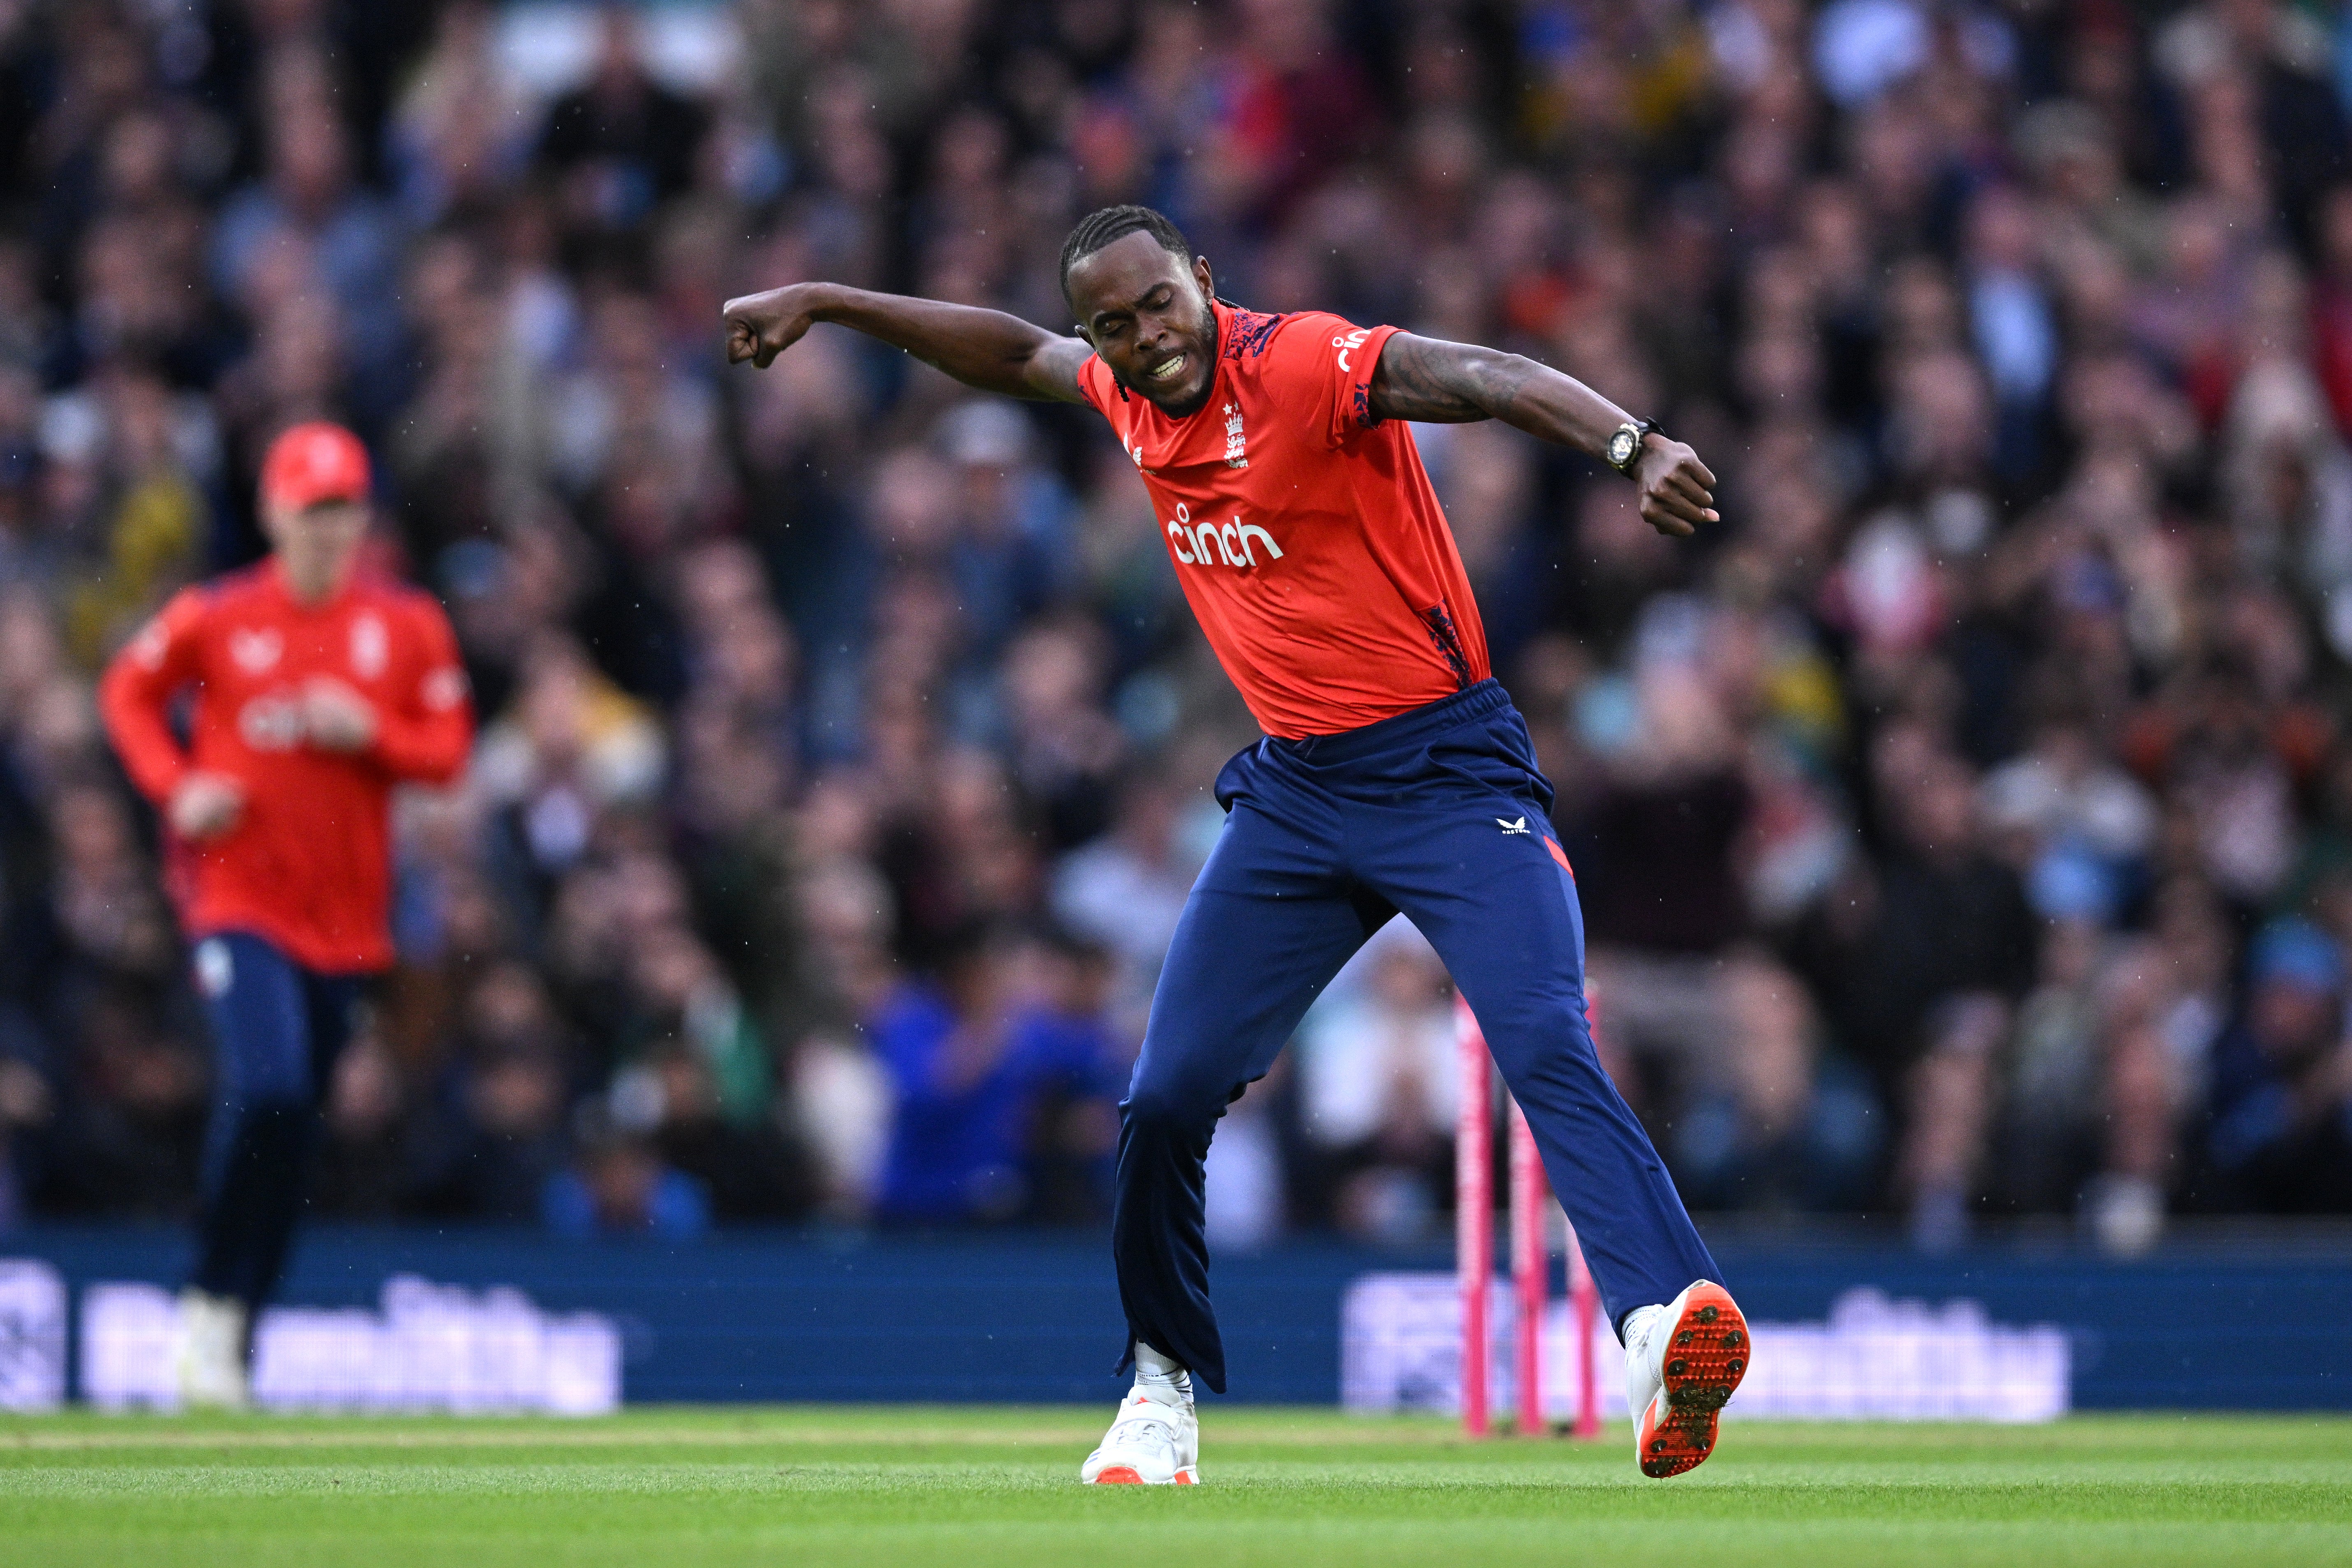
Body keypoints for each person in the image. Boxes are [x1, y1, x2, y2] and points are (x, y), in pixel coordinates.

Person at [723, 205, 1746, 1482]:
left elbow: (1481, 376)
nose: (1144, 338)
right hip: (1299, 799)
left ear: (1203, 279)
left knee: (1541, 1038)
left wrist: (1628, 442)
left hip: (1449, 772)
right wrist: (828, 298)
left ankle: (1659, 1326)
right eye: (1113, 323)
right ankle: (1158, 1394)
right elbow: (1008, 354)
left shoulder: (1308, 362)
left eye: (1159, 304)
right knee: (1160, 1097)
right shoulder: (1122, 387)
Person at [98, 422, 474, 1406]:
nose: (328, 529)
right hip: (237, 898)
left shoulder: (403, 626)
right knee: (268, 1083)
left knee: (299, 1123)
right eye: (312, 509)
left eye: (343, 509)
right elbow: (127, 692)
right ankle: (209, 1305)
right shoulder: (217, 616)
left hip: (346, 921)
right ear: (272, 513)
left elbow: (447, 749)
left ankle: (238, 1328)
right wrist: (174, 785)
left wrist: (373, 733)